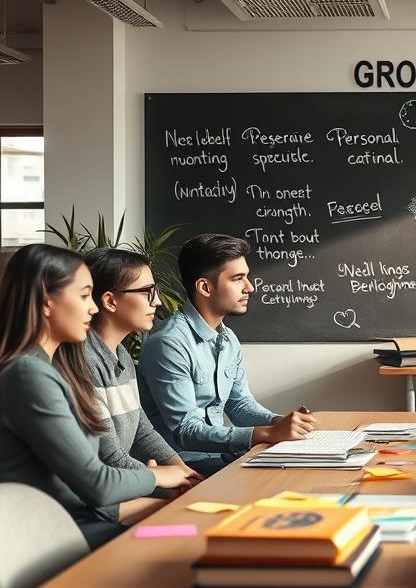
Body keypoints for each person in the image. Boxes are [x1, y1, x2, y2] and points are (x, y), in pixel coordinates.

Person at [0, 244, 193, 549]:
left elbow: (80, 484)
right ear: (46, 303)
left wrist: (161, 484)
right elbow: (97, 483)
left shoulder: (47, 367)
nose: (93, 307)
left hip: (85, 516)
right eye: (83, 295)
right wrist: (158, 478)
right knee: (188, 536)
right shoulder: (29, 375)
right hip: (52, 534)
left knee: (190, 525)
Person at [138, 233, 316, 477]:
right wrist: (266, 433)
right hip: (185, 465)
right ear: (205, 287)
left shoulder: (227, 338)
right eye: (237, 279)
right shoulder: (168, 343)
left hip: (221, 457)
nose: (249, 287)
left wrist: (280, 423)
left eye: (247, 277)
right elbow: (186, 431)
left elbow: (239, 405)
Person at [83, 248, 203, 495]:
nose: (157, 301)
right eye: (147, 292)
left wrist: (182, 472)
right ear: (110, 301)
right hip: (102, 496)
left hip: (129, 482)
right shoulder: (84, 360)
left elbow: (142, 431)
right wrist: (158, 477)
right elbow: (107, 456)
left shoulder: (122, 355)